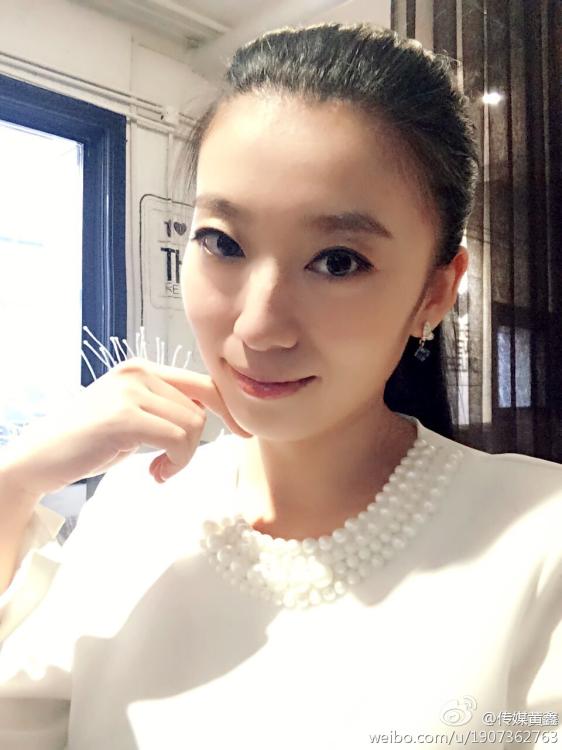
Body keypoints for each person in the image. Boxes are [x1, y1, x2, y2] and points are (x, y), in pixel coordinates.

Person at [0, 21, 561, 750]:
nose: (259, 327)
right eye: (223, 243)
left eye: (338, 261)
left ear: (434, 293)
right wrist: (15, 484)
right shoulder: (136, 505)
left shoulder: (539, 539)